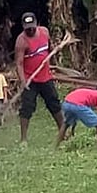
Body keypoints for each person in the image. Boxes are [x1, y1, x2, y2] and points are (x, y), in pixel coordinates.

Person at [15, 12, 63, 143]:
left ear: (36, 24)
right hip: (31, 80)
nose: (30, 30)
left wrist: (54, 50)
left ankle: (63, 132)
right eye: (27, 28)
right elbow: (19, 64)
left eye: (32, 27)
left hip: (46, 77)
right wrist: (23, 81)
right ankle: (23, 139)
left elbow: (49, 47)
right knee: (27, 107)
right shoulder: (21, 41)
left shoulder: (44, 32)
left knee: (54, 103)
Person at [55, 83, 97, 152]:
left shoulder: (89, 93)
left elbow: (76, 113)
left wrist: (73, 130)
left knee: (66, 124)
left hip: (66, 103)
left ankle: (56, 147)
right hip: (77, 105)